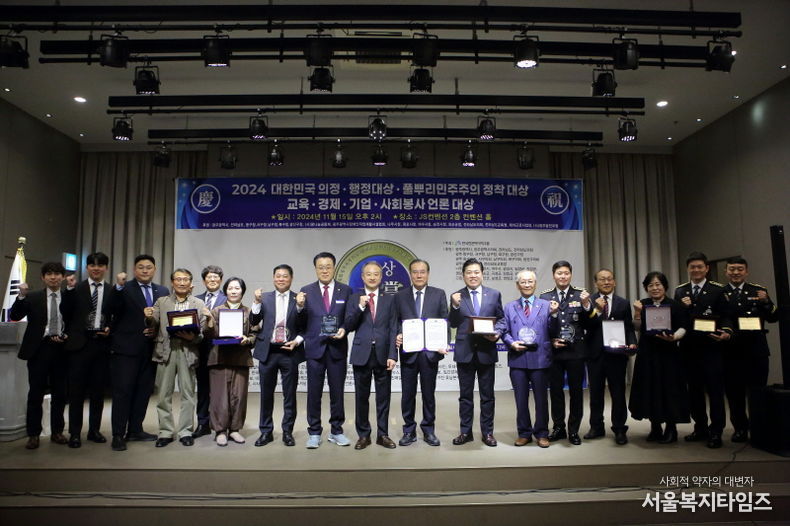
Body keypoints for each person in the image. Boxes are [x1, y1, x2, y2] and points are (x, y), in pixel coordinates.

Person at [107, 254, 169, 451]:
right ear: (134, 270)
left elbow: (166, 318)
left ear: (155, 269)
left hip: (151, 350)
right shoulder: (123, 288)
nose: (145, 270)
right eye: (141, 267)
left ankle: (135, 429)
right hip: (126, 349)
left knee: (143, 392)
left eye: (149, 267)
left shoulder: (162, 290)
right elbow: (110, 309)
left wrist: (155, 328)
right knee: (123, 392)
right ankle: (118, 434)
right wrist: (117, 287)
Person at [674, 251, 733, 449]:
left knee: (715, 392)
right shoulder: (680, 291)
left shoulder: (718, 289)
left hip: (711, 348)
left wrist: (726, 331)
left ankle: (716, 431)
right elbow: (679, 319)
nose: (696, 270)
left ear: (707, 268)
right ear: (688, 269)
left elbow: (726, 316)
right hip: (689, 349)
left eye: (700, 267)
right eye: (692, 267)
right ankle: (700, 428)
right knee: (694, 392)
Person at [145, 268, 208, 448]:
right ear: (172, 283)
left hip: (188, 351)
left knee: (188, 394)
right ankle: (165, 432)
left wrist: (193, 337)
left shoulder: (198, 303)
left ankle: (185, 431)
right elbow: (153, 324)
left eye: (185, 279)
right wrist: (148, 317)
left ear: (191, 283)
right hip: (166, 350)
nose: (181, 283)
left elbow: (202, 333)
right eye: (178, 279)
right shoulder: (162, 301)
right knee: (163, 394)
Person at [495, 270, 558, 448]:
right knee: (520, 399)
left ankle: (542, 433)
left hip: (540, 358)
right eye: (523, 282)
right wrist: (511, 343)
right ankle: (524, 433)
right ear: (517, 285)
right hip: (518, 358)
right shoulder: (509, 307)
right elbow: (504, 331)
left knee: (541, 400)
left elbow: (554, 331)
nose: (527, 285)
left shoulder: (547, 305)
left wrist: (554, 315)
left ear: (535, 284)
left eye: (530, 281)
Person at [10, 262, 69, 450]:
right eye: (49, 274)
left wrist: (68, 336)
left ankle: (57, 431)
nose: (54, 277)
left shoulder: (69, 297)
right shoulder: (33, 297)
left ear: (63, 276)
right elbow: (16, 316)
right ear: (43, 277)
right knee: (35, 393)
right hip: (39, 349)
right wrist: (20, 296)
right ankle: (33, 434)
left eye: (57, 274)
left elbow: (75, 321)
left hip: (62, 349)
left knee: (61, 393)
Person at [299, 252, 355, 449]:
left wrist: (345, 329)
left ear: (334, 268)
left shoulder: (346, 290)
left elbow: (351, 317)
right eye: (320, 267)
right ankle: (314, 432)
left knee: (337, 393)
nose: (324, 270)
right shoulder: (306, 291)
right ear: (315, 269)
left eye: (328, 266)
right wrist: (299, 307)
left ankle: (336, 431)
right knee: (314, 393)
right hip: (315, 349)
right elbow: (301, 321)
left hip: (337, 349)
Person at [722, 257, 779, 442]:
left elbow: (773, 317)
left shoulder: (758, 291)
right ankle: (740, 428)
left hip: (756, 351)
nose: (736, 273)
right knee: (734, 394)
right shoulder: (720, 293)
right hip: (731, 352)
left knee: (757, 392)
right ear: (726, 272)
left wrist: (767, 301)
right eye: (732, 269)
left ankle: (759, 428)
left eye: (739, 269)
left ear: (746, 272)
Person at [449, 257, 504, 447]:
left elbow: (502, 320)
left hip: (486, 351)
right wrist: (454, 306)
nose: (473, 275)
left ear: (482, 274)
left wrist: (498, 333)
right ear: (463, 275)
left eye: (476, 272)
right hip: (465, 352)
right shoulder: (457, 296)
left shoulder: (494, 294)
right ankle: (466, 432)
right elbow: (454, 323)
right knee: (465, 396)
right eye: (469, 272)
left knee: (487, 395)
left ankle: (487, 433)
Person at [629, 271, 690, 443]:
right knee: (650, 389)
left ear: (665, 286)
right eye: (651, 285)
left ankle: (671, 428)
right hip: (648, 354)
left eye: (658, 284)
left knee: (669, 389)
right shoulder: (643, 304)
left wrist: (674, 337)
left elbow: (684, 327)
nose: (655, 288)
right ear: (646, 288)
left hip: (669, 354)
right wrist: (637, 313)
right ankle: (655, 427)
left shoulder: (675, 305)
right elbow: (636, 327)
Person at [393, 258, 448, 447]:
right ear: (410, 274)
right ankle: (408, 430)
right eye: (415, 272)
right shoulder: (400, 295)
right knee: (407, 394)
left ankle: (428, 430)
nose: (418, 275)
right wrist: (398, 334)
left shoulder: (438, 294)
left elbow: (444, 322)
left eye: (422, 271)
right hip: (409, 353)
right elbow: (396, 321)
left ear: (428, 274)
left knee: (428, 394)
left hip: (430, 354)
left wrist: (443, 343)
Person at [250, 264, 306, 447]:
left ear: (291, 279)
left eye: (285, 276)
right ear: (273, 278)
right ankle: (266, 432)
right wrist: (256, 303)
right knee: (266, 394)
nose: (281, 279)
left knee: (289, 395)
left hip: (289, 351)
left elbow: (305, 326)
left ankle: (287, 432)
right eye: (278, 276)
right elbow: (253, 322)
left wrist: (297, 341)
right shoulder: (264, 298)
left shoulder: (299, 298)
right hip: (268, 351)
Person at [60, 252, 112, 448]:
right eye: (92, 265)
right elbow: (64, 312)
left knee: (98, 392)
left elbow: (114, 315)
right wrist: (70, 289)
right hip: (78, 347)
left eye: (100, 265)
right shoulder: (76, 288)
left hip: (101, 346)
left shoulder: (111, 290)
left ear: (106, 267)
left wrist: (110, 328)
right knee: (76, 393)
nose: (96, 268)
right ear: (87, 267)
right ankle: (74, 433)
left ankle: (94, 430)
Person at [345, 261, 398, 450]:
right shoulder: (354, 298)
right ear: (363, 277)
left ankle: (383, 435)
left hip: (383, 354)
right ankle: (363, 435)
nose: (372, 277)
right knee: (362, 396)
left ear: (381, 277)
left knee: (383, 397)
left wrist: (393, 354)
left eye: (376, 274)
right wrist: (359, 307)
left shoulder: (390, 299)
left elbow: (394, 328)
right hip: (362, 353)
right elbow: (348, 325)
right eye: (369, 274)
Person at [539, 260, 591, 446]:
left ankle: (574, 430)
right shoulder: (545, 297)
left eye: (566, 273)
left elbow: (589, 324)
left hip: (576, 351)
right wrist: (551, 339)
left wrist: (586, 305)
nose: (563, 276)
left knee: (576, 392)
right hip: (555, 352)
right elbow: (541, 326)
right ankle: (559, 427)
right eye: (559, 273)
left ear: (571, 275)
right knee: (555, 392)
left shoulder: (580, 295)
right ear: (554, 275)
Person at [584, 269, 637, 445]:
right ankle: (596, 427)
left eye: (609, 279)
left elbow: (628, 327)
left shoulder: (623, 302)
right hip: (595, 354)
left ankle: (620, 428)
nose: (606, 282)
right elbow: (586, 325)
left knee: (618, 393)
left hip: (617, 354)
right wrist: (597, 310)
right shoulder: (589, 301)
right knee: (596, 393)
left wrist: (632, 342)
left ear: (614, 282)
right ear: (596, 283)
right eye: (602, 279)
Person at [205, 277, 257, 446]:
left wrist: (247, 340)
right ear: (225, 291)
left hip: (240, 358)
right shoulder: (215, 311)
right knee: (219, 397)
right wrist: (209, 323)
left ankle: (234, 430)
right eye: (230, 288)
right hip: (219, 357)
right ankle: (220, 430)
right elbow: (208, 335)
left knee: (239, 396)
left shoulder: (249, 312)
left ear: (242, 291)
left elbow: (255, 334)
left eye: (237, 288)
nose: (234, 291)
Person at [192, 265, 226, 439]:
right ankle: (203, 423)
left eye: (216, 277)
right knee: (203, 390)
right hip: (200, 350)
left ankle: (220, 425)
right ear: (204, 280)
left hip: (221, 351)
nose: (212, 280)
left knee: (220, 391)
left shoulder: (228, 299)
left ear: (220, 280)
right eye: (209, 277)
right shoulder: (195, 300)